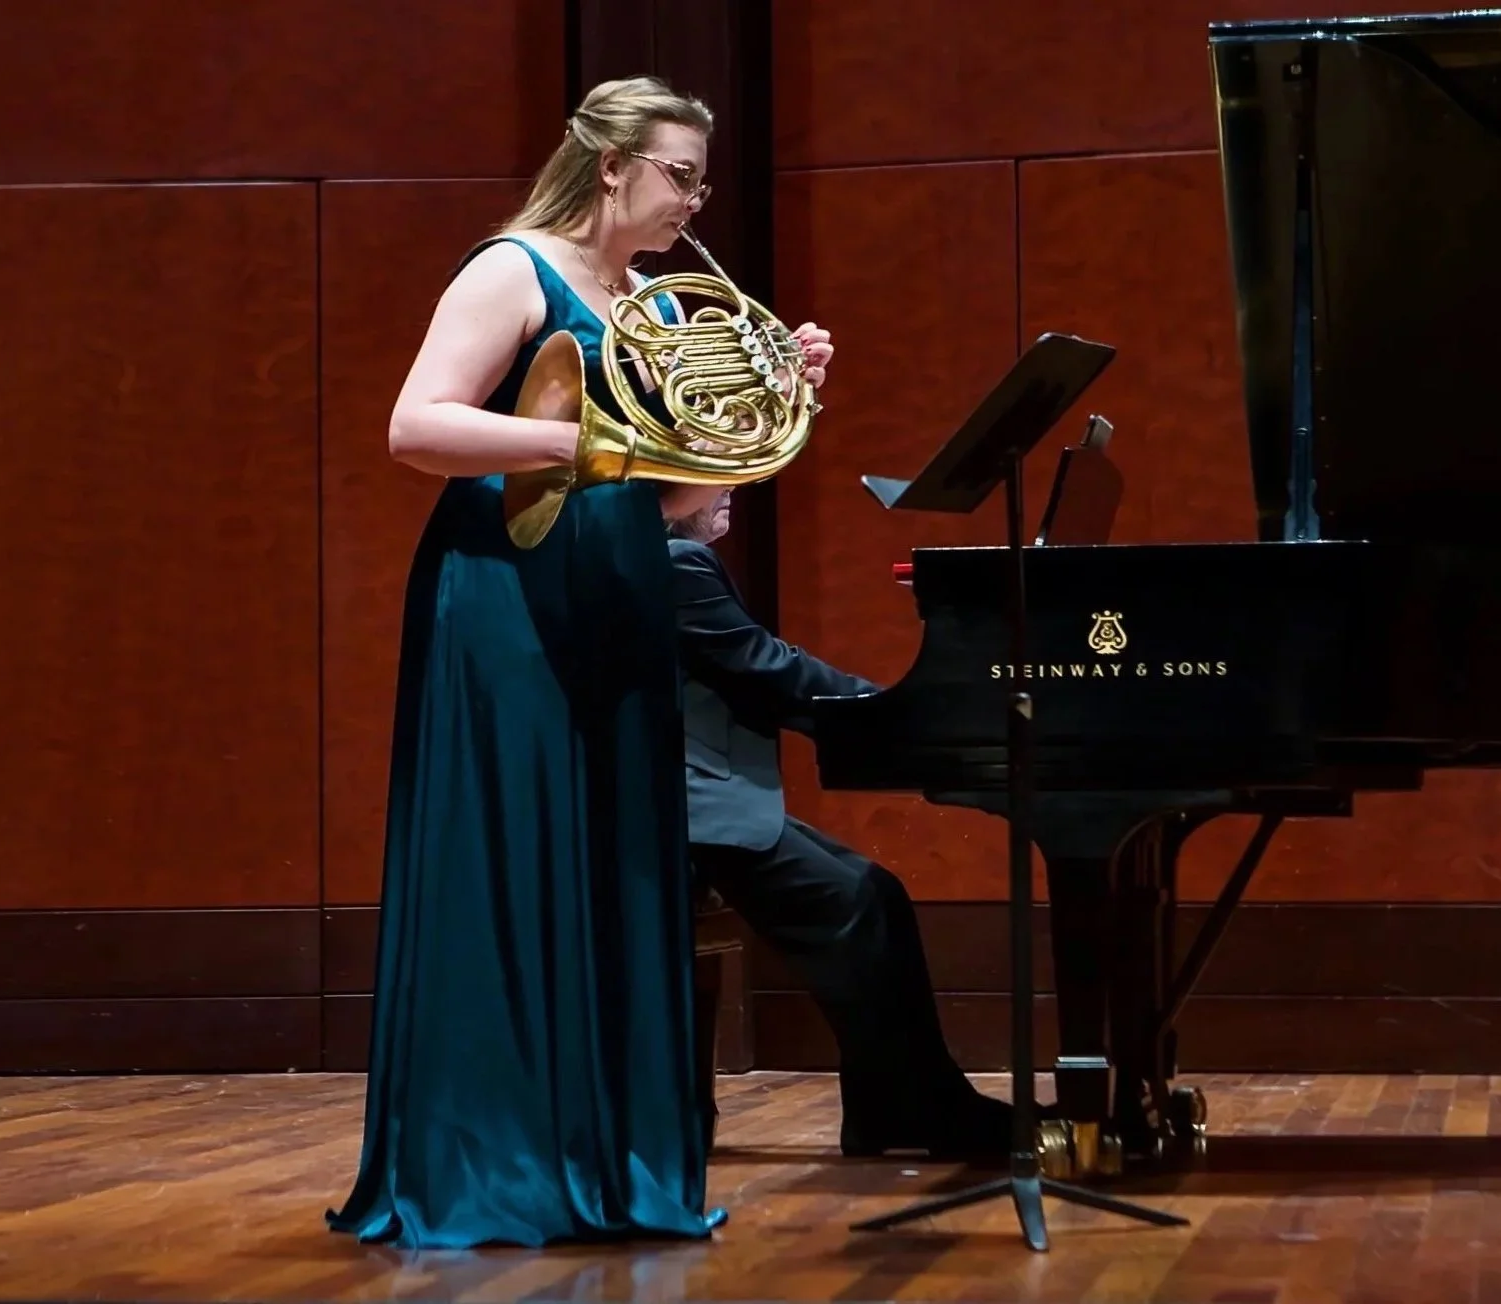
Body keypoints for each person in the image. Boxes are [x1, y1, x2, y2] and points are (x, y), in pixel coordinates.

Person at [325, 76, 834, 1251]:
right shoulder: (512, 268)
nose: (694, 200)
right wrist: (599, 438)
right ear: (611, 166)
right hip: (502, 597)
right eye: (678, 174)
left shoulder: (646, 296)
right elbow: (417, 426)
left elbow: (685, 499)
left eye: (702, 178)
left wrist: (769, 402)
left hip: (613, 588)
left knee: (614, 862)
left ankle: (607, 1165)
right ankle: (492, 1165)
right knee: (512, 850)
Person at [668, 491, 1013, 1159]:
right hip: (681, 804)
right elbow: (768, 670)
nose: (731, 486)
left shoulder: (669, 558)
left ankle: (905, 1108)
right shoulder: (676, 561)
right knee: (855, 899)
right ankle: (910, 1111)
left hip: (697, 793)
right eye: (718, 471)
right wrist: (891, 711)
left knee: (869, 893)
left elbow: (760, 671)